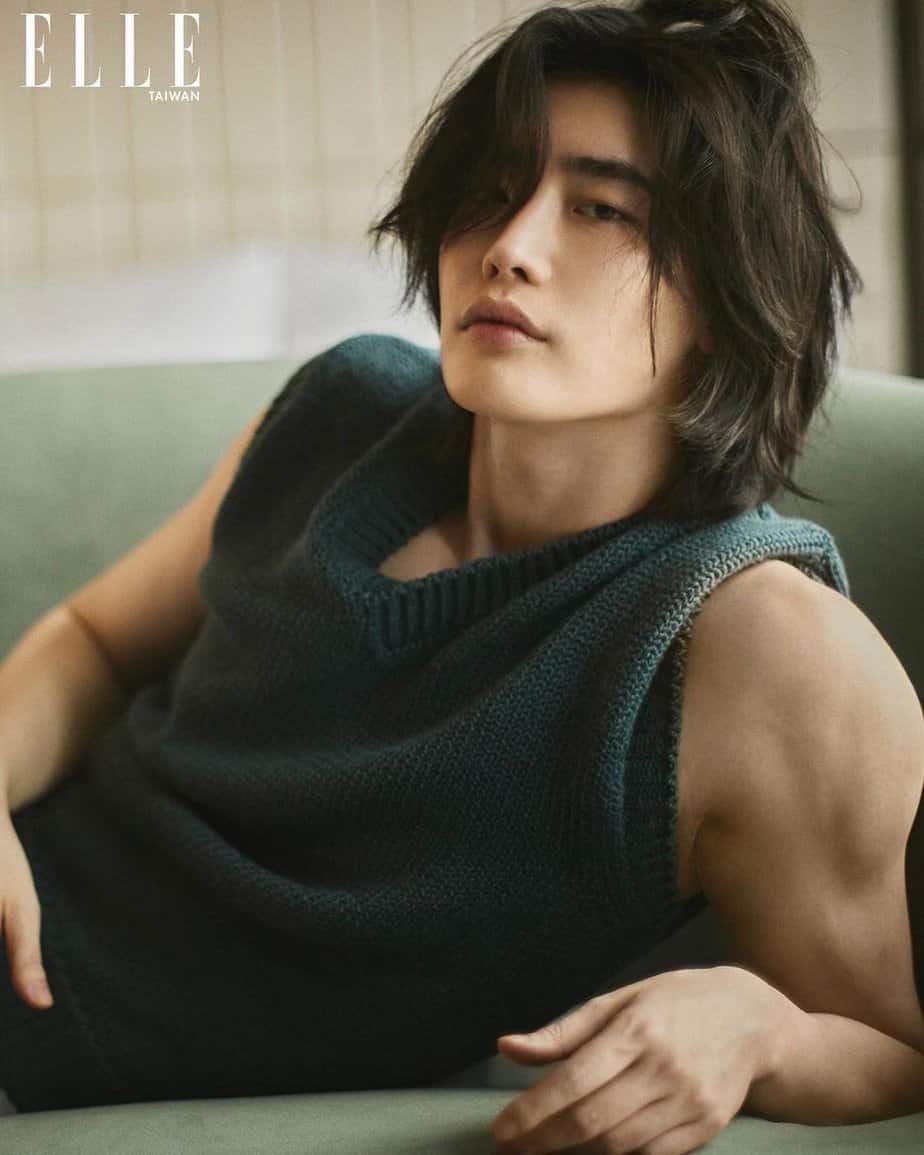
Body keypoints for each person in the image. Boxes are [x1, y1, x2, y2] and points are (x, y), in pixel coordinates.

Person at [0, 0, 921, 1148]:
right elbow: (93, 640)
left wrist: (760, 1025)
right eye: (490, 190)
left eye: (601, 208)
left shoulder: (771, 650)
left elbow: (891, 1043)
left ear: (733, 285)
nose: (510, 246)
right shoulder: (342, 411)